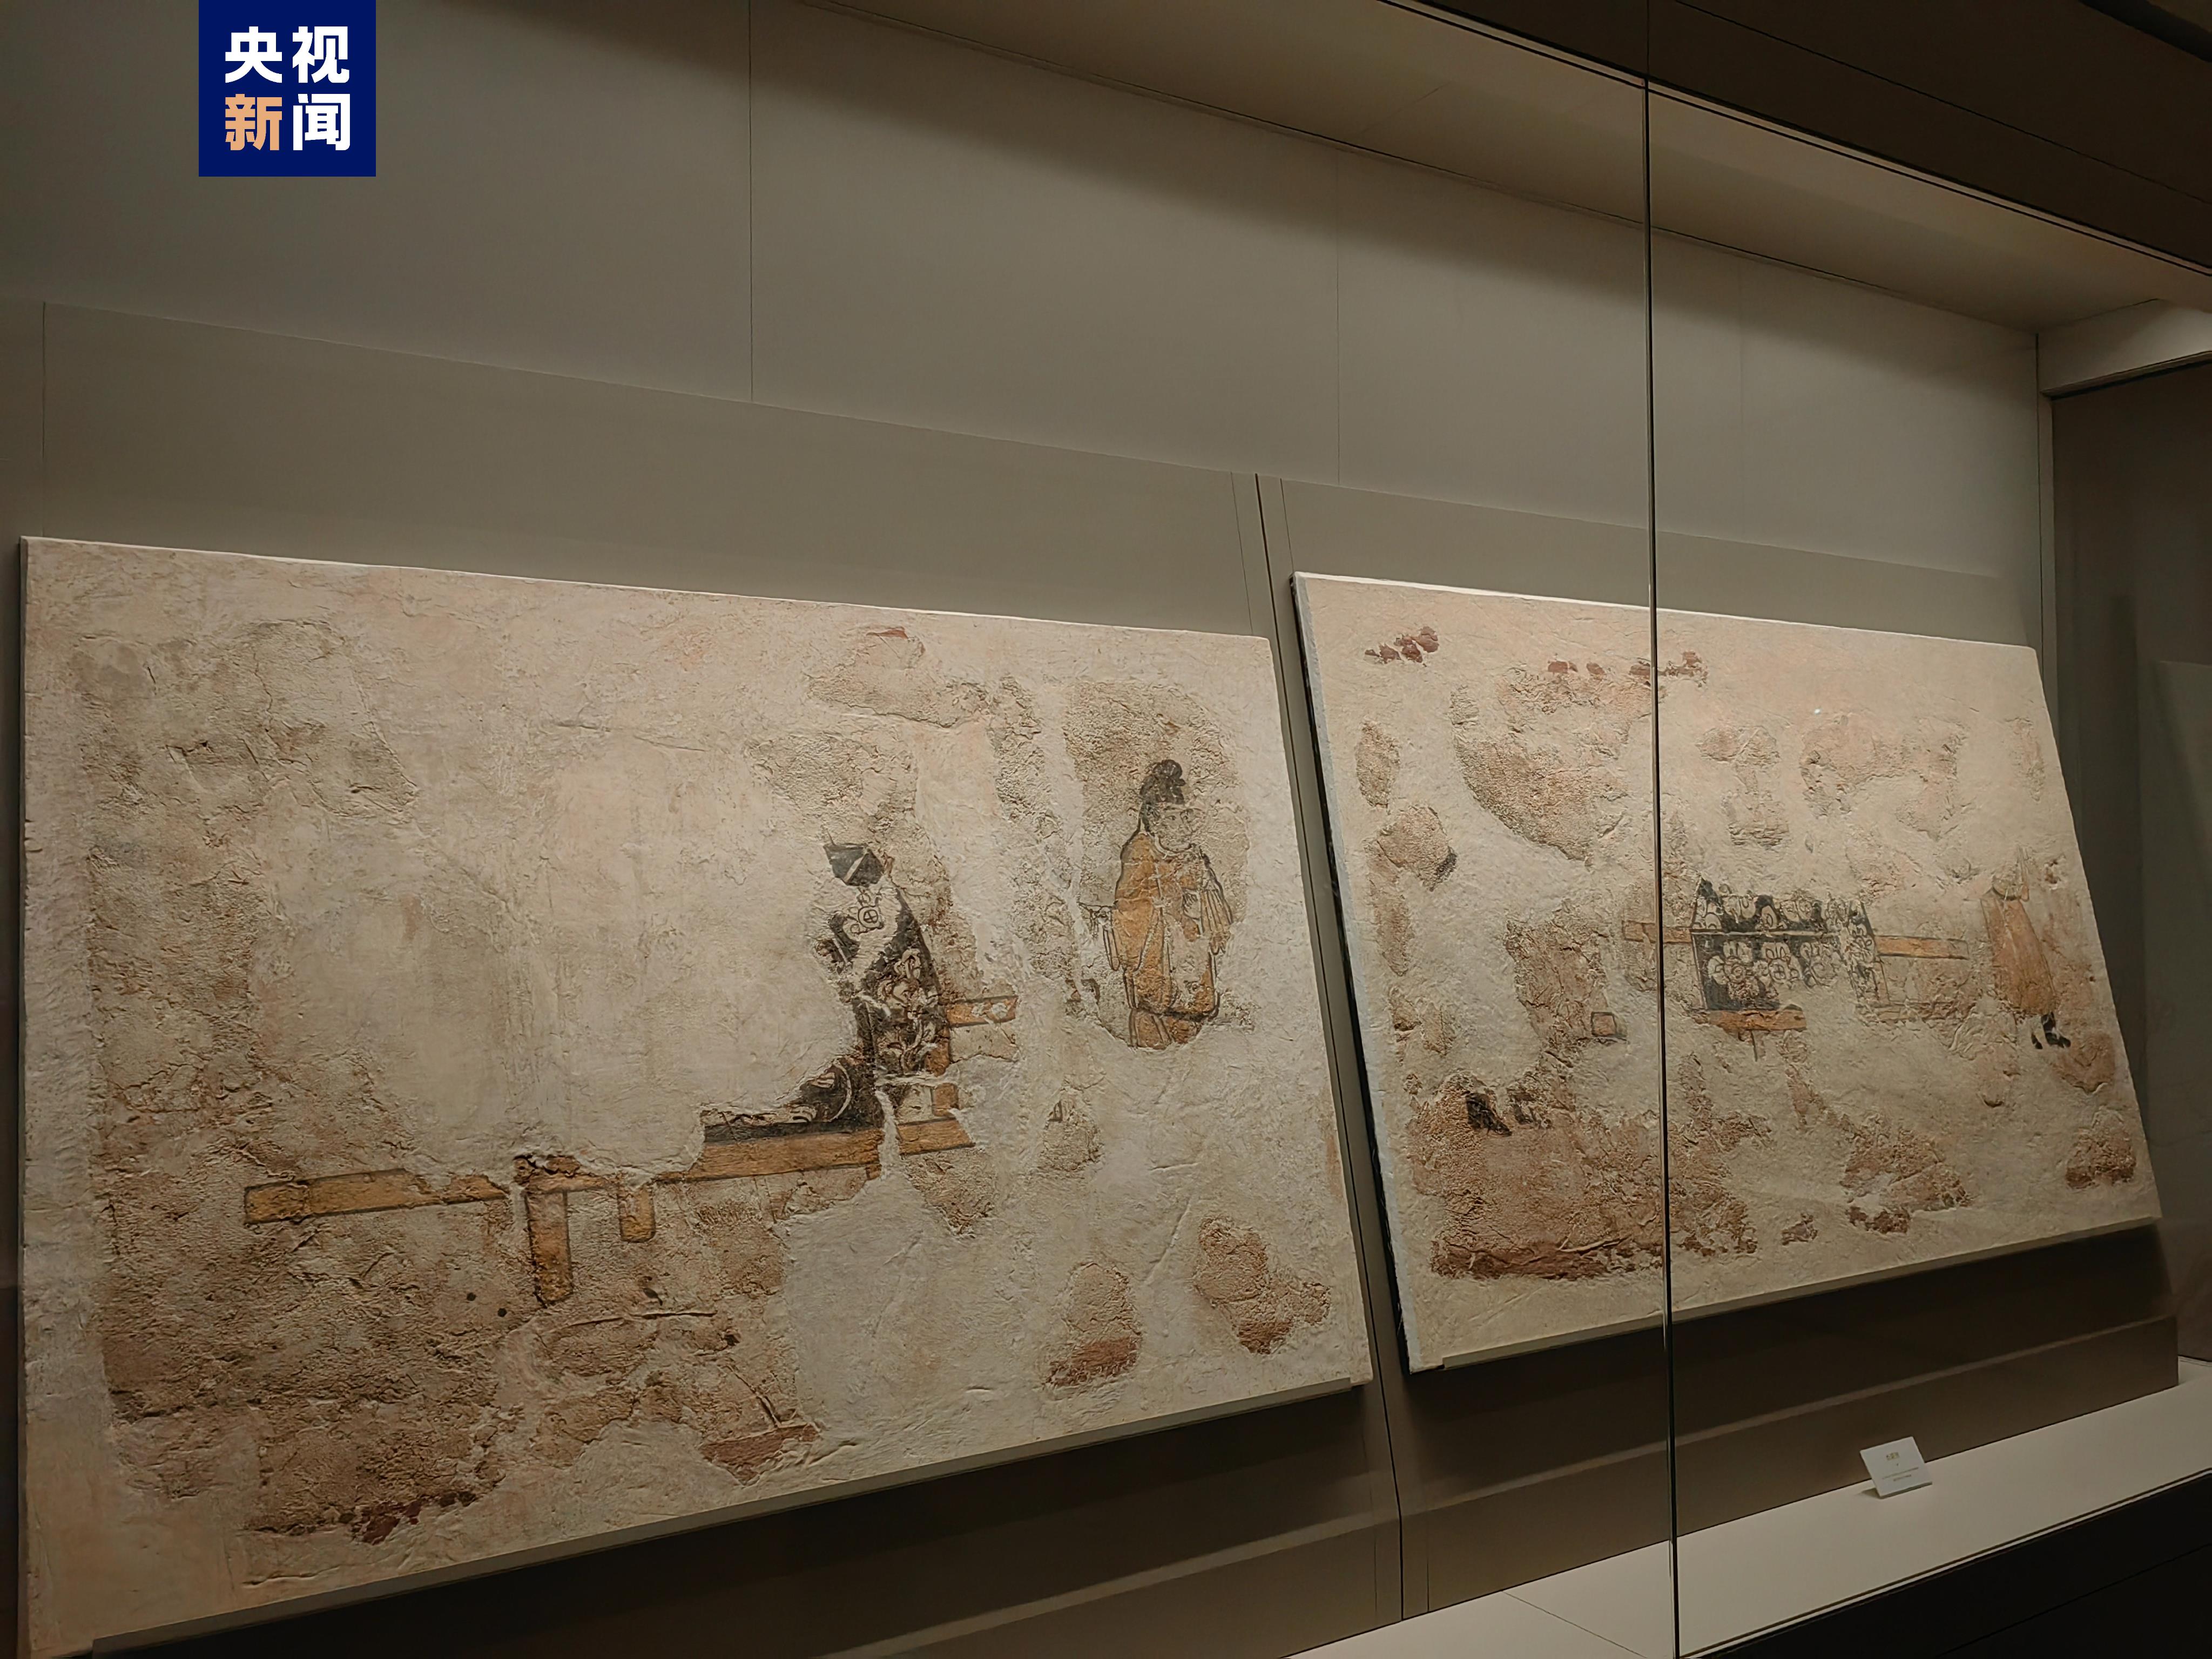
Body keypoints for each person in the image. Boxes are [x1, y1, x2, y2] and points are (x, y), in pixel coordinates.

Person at [1107, 761, 1233, 1049]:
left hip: (1192, 957)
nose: (1182, 825)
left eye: (1183, 817)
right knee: (1154, 1027)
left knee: (1195, 1022)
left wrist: (1201, 900)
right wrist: (1161, 904)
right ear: (1156, 820)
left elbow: (1216, 911)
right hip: (1159, 963)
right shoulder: (1140, 850)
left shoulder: (1193, 855)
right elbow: (1127, 906)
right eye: (1173, 818)